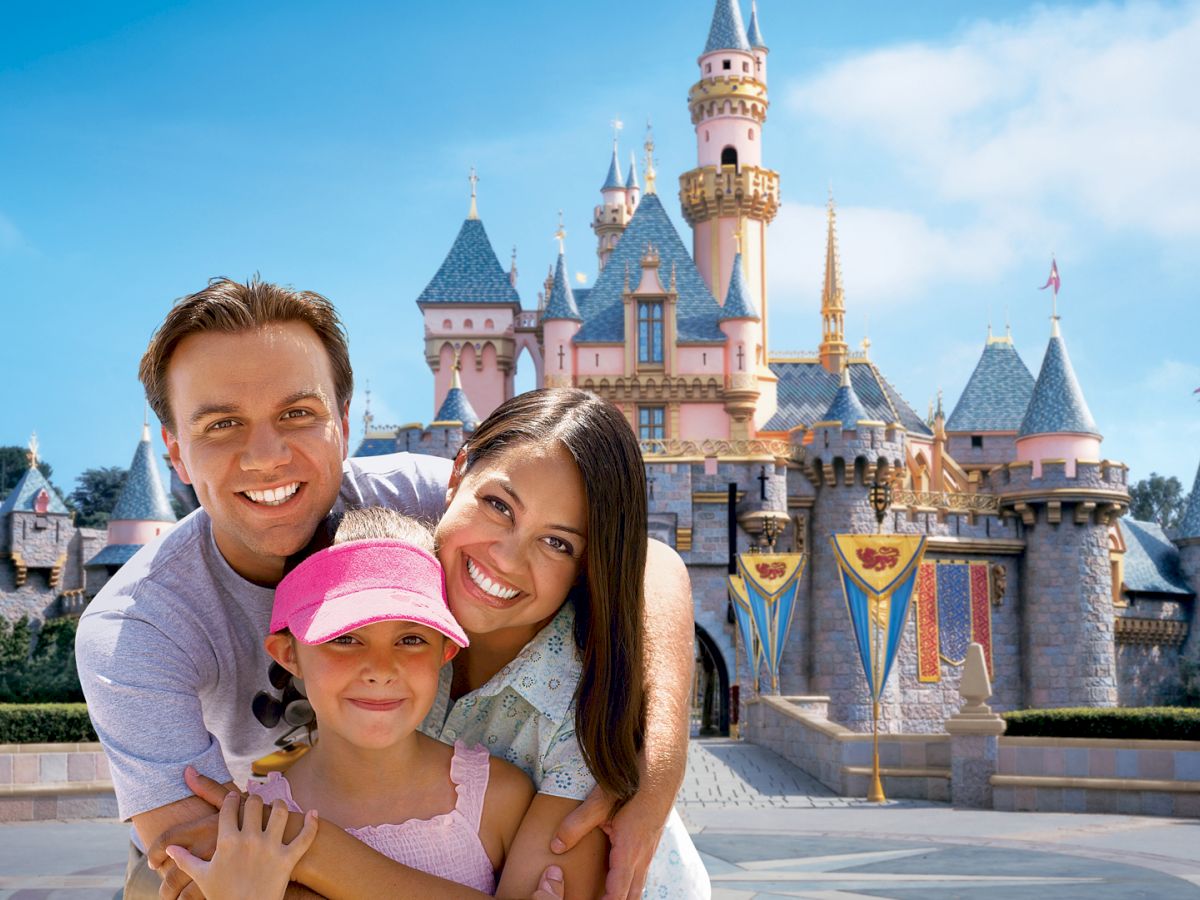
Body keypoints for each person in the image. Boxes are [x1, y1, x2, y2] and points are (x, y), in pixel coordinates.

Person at [75, 278, 694, 899]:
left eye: (297, 414)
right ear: (176, 454)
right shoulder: (134, 632)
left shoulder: (419, 505)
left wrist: (659, 763)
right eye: (221, 424)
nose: (266, 457)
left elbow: (644, 560)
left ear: (343, 425)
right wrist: (294, 848)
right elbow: (204, 872)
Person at [177, 389, 710, 898]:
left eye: (557, 542)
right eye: (500, 506)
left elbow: (654, 560)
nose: (507, 557)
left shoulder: (586, 701)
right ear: (455, 475)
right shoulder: (395, 580)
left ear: (586, 566)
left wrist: (304, 850)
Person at [166, 507, 537, 898]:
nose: (380, 669)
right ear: (288, 654)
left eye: (411, 639)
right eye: (345, 638)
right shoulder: (256, 833)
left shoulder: (499, 797)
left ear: (445, 651)